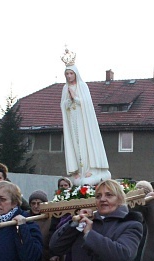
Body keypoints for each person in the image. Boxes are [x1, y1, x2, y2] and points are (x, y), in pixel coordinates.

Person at [60, 51, 111, 186]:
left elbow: (86, 104)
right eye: (67, 74)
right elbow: (63, 105)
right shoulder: (65, 88)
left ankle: (90, 169)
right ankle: (79, 170)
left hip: (83, 122)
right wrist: (69, 100)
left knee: (85, 143)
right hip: (72, 121)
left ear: (76, 74)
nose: (69, 76)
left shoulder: (82, 86)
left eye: (71, 73)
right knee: (75, 145)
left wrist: (75, 98)